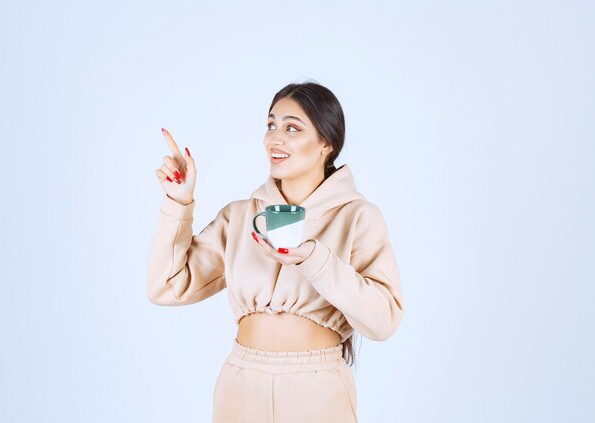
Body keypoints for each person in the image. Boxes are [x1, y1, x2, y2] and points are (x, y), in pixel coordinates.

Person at [147, 81, 405, 422]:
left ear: (326, 143)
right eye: (271, 125)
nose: (275, 138)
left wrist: (315, 260)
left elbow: (383, 320)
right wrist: (179, 203)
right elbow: (167, 286)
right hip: (241, 385)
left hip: (317, 389)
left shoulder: (358, 217)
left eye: (292, 128)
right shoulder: (240, 217)